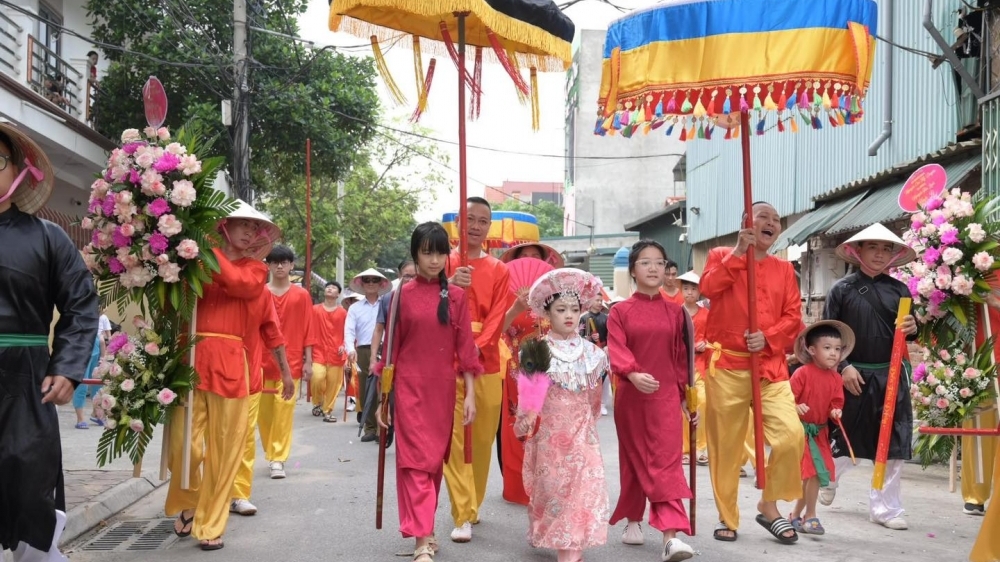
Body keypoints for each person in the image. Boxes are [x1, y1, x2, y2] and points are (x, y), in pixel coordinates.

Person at [0, 122, 98, 562]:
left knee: (28, 480)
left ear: (19, 171)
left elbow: (81, 306)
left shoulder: (48, 237)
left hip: (24, 379)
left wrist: (67, 367)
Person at [164, 200, 280, 550]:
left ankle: (211, 522)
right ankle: (189, 499)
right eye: (242, 224)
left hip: (231, 363)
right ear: (223, 225)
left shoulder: (255, 269)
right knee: (183, 444)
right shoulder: (193, 260)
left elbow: (241, 285)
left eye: (254, 227)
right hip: (191, 356)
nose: (249, 231)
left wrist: (203, 256)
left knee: (225, 448)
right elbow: (171, 302)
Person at [374, 222, 480, 562]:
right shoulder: (399, 296)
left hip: (443, 390)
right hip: (407, 388)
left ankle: (426, 528)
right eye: (427, 252)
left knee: (434, 463)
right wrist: (383, 401)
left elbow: (466, 351)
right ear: (415, 254)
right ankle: (421, 542)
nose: (434, 260)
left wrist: (472, 396)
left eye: (440, 252)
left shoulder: (458, 297)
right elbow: (389, 351)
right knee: (416, 464)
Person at [700, 201, 804, 544]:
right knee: (726, 447)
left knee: (791, 437)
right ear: (746, 222)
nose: (771, 222)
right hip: (728, 365)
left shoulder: (785, 269)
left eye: (776, 219)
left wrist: (769, 337)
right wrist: (738, 252)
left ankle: (769, 504)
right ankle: (727, 517)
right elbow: (708, 289)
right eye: (763, 217)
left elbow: (793, 317)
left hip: (770, 366)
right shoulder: (719, 254)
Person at [820, 223, 918, 531]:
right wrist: (843, 365)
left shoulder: (901, 291)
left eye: (886, 248)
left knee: (892, 442)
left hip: (890, 377)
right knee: (845, 437)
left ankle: (886, 509)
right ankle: (828, 476)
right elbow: (827, 333)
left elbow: (907, 338)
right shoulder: (842, 289)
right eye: (872, 247)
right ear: (857, 250)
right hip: (853, 376)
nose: (879, 254)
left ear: (893, 255)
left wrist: (914, 329)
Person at [606, 240, 696, 561]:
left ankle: (670, 537)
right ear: (633, 270)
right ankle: (633, 519)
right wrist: (631, 373)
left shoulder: (676, 312)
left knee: (666, 463)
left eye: (659, 262)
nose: (654, 268)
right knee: (633, 459)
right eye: (645, 262)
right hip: (631, 398)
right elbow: (616, 349)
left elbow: (681, 357)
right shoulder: (619, 311)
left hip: (666, 397)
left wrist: (687, 397)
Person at [515, 268, 610, 562]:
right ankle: (563, 542)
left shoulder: (593, 353)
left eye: (574, 308)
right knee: (554, 489)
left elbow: (596, 397)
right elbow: (529, 400)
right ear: (547, 312)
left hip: (582, 431)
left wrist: (589, 421)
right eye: (560, 309)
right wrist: (527, 420)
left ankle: (571, 551)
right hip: (550, 435)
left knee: (585, 484)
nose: (569, 315)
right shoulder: (536, 348)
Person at [444, 196, 511, 542]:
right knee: (454, 440)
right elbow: (426, 302)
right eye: (469, 218)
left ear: (489, 228)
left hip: (485, 361)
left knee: (482, 439)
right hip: (444, 359)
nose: (475, 225)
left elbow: (498, 316)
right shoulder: (442, 262)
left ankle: (473, 503)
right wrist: (450, 284)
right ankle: (461, 511)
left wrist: (476, 347)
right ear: (458, 221)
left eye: (483, 220)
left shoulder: (500, 270)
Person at [498, 241, 563, 505]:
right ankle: (517, 487)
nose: (529, 261)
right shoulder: (505, 295)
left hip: (551, 372)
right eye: (524, 257)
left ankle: (548, 484)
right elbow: (496, 329)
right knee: (519, 426)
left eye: (535, 257)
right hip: (517, 373)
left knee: (547, 427)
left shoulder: (555, 297)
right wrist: (516, 307)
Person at [229, 277, 294, 516]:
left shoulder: (261, 293)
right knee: (206, 438)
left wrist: (286, 372)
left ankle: (238, 494)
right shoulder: (210, 278)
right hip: (209, 373)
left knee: (245, 435)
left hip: (249, 375)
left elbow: (273, 334)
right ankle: (203, 492)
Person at [787, 321, 852, 536]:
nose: (833, 353)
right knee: (812, 473)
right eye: (827, 348)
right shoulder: (801, 374)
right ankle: (811, 516)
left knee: (812, 476)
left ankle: (796, 515)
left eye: (837, 349)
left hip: (821, 434)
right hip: (802, 433)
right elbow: (785, 400)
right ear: (812, 350)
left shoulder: (836, 378)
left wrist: (836, 412)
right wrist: (796, 406)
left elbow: (837, 402)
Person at [258, 245, 315, 479]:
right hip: (260, 361)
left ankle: (278, 458)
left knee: (283, 412)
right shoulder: (259, 292)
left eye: (284, 262)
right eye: (275, 262)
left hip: (290, 364)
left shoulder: (302, 295)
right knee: (264, 415)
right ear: (268, 265)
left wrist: (309, 361)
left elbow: (308, 329)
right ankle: (271, 452)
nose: (280, 266)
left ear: (292, 266)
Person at [345, 268, 391, 442]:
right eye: (367, 280)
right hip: (363, 350)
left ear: (381, 284)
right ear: (362, 284)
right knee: (365, 389)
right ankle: (370, 427)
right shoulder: (355, 308)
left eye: (374, 280)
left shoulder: (387, 303)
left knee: (385, 388)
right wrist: (350, 349)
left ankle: (383, 428)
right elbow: (349, 331)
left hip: (385, 348)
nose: (371, 283)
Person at [678, 271, 708, 466]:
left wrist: (706, 342)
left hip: (700, 365)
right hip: (680, 365)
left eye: (693, 289)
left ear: (700, 292)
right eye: (686, 289)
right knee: (682, 405)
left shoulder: (707, 314)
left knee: (702, 402)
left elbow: (714, 336)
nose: (689, 293)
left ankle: (701, 446)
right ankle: (684, 449)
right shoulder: (675, 312)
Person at [312, 281, 348, 422]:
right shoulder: (314, 309)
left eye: (333, 288)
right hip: (318, 351)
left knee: (334, 383)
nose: (330, 289)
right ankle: (318, 402)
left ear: (338, 294)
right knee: (317, 377)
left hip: (336, 353)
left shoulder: (343, 313)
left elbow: (349, 331)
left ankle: (328, 410)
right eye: (328, 287)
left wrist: (344, 345)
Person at [579, 298, 610, 417]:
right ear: (590, 301)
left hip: (602, 351)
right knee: (591, 378)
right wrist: (588, 338)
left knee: (604, 378)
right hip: (589, 352)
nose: (599, 302)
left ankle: (602, 404)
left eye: (600, 300)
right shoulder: (584, 318)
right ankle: (590, 403)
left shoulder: (606, 318)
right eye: (596, 300)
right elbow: (580, 336)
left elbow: (610, 335)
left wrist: (607, 345)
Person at [71, 333, 104, 429]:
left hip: (95, 348)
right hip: (82, 350)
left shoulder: (98, 318)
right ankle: (80, 419)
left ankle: (96, 413)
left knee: (98, 385)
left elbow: (101, 338)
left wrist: (102, 355)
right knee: (82, 385)